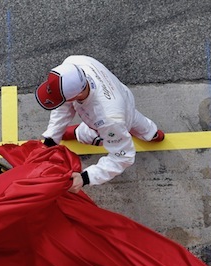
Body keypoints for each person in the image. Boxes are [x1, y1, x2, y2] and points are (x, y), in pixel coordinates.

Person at [35, 55, 165, 194]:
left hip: (116, 116)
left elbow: (122, 155)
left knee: (98, 133)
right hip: (122, 97)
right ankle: (152, 133)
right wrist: (52, 137)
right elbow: (64, 105)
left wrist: (85, 177)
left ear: (77, 95)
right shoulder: (73, 64)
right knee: (134, 119)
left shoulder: (107, 119)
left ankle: (79, 132)